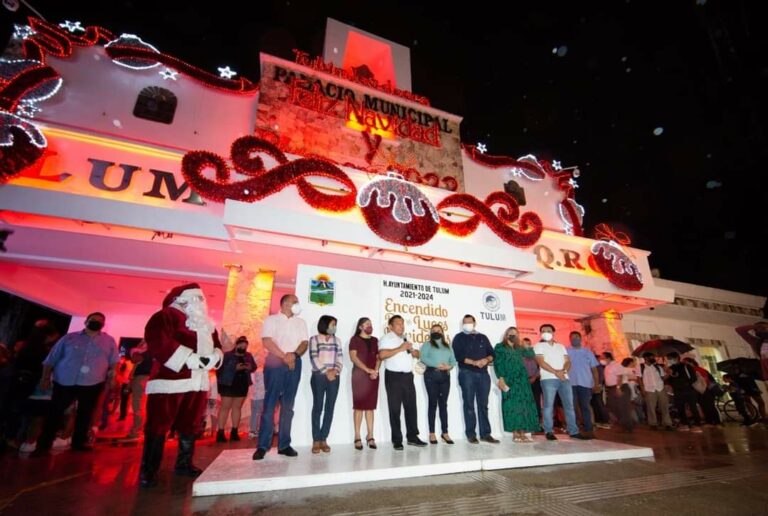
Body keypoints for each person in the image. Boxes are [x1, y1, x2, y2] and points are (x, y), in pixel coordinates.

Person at [139, 283, 223, 487]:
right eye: (196, 298)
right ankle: (149, 470)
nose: (201, 303)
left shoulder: (206, 324)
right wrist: (190, 359)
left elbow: (218, 346)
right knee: (158, 426)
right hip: (170, 381)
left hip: (198, 382)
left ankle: (184, 463)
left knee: (191, 425)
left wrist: (215, 357)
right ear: (182, 300)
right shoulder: (165, 316)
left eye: (202, 299)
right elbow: (160, 343)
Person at [31, 312, 118, 456]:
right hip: (65, 381)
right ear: (86, 321)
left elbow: (114, 361)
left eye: (99, 321)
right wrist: (45, 378)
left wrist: (112, 376)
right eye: (93, 320)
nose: (96, 322)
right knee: (54, 414)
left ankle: (78, 443)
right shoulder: (69, 338)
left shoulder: (109, 341)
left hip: (92, 382)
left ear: (103, 324)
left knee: (85, 414)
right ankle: (43, 445)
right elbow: (50, 359)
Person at [253, 294, 309, 461]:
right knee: (270, 404)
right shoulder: (271, 320)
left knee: (288, 405)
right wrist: (284, 356)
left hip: (294, 363)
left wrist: (293, 355)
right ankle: (263, 446)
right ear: (285, 304)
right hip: (275, 362)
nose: (297, 304)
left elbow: (304, 343)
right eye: (295, 302)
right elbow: (267, 341)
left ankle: (284, 444)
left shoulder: (301, 322)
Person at [378, 315, 426, 449]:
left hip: (408, 377)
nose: (401, 326)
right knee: (395, 409)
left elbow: (418, 355)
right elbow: (381, 355)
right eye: (398, 324)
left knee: (411, 407)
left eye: (402, 323)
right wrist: (400, 348)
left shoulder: (406, 338)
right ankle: (397, 440)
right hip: (393, 377)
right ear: (390, 327)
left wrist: (413, 351)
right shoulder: (386, 338)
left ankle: (412, 437)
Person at [534, 324, 586, 441]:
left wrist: (563, 371)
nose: (546, 332)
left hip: (564, 378)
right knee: (548, 406)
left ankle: (573, 431)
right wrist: (556, 372)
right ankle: (548, 431)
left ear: (553, 332)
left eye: (548, 330)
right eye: (543, 331)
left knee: (569, 406)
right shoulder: (538, 346)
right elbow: (541, 362)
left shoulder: (561, 346)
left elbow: (568, 361)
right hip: (548, 379)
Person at [452, 315, 500, 444]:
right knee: (469, 404)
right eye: (465, 322)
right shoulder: (458, 337)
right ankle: (471, 434)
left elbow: (492, 354)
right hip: (467, 373)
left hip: (484, 375)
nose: (467, 324)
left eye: (470, 322)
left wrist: (486, 360)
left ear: (474, 323)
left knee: (483, 405)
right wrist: (474, 362)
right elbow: (458, 356)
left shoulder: (483, 337)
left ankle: (485, 434)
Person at [493, 327, 539, 442]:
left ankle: (523, 432)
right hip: (509, 379)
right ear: (506, 335)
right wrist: (501, 378)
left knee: (524, 405)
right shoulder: (500, 347)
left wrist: (525, 345)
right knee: (512, 406)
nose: (513, 335)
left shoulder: (519, 348)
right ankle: (515, 433)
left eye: (515, 333)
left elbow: (531, 354)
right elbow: (498, 363)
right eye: (510, 333)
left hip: (522, 380)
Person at [308, 315, 343, 454]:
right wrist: (326, 371)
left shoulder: (337, 341)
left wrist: (335, 371)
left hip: (334, 376)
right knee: (318, 407)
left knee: (330, 407)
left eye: (335, 324)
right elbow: (313, 357)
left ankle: (324, 438)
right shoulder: (314, 339)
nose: (334, 327)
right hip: (319, 376)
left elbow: (340, 358)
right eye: (332, 324)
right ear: (324, 324)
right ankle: (316, 439)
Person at [420, 324, 457, 444]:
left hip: (445, 376)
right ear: (430, 333)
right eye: (434, 331)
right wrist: (437, 365)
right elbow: (423, 358)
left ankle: (445, 433)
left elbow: (453, 360)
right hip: (431, 375)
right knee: (432, 404)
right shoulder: (427, 344)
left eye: (439, 330)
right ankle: (432, 433)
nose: (437, 332)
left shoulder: (448, 346)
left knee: (443, 404)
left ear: (442, 332)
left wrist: (449, 366)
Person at [216, 336, 256, 442]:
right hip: (228, 384)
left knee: (237, 408)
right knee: (225, 407)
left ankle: (234, 432)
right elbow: (220, 369)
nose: (243, 347)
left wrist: (249, 367)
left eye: (245, 346)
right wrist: (235, 367)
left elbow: (254, 367)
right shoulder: (227, 355)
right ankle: (220, 433)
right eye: (241, 345)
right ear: (236, 345)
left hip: (242, 383)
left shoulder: (248, 355)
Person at [349, 317, 380, 450]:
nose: (370, 326)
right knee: (359, 407)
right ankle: (357, 436)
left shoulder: (375, 340)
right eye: (367, 324)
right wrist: (367, 370)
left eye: (371, 324)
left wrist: (376, 370)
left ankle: (370, 435)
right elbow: (353, 357)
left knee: (370, 407)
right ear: (360, 327)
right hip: (359, 376)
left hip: (373, 376)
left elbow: (379, 357)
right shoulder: (354, 339)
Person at [566, 331, 600, 438]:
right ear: (570, 339)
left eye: (576, 337)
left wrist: (597, 384)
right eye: (572, 337)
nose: (574, 339)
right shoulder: (566, 351)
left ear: (580, 338)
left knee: (585, 406)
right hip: (570, 383)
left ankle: (589, 427)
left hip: (585, 383)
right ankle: (574, 428)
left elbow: (594, 369)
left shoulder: (587, 352)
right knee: (572, 406)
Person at [664, 351, 702, 432]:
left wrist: (684, 383)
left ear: (677, 358)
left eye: (670, 359)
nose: (669, 361)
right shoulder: (671, 368)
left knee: (693, 408)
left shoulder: (686, 366)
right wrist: (669, 375)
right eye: (668, 359)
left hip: (689, 390)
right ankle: (685, 424)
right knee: (680, 408)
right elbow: (669, 381)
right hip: (677, 391)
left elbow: (693, 378)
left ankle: (697, 425)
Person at [639, 352, 674, 431]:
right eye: (651, 357)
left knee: (664, 406)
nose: (653, 359)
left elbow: (662, 378)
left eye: (653, 357)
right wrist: (642, 389)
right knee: (651, 407)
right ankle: (653, 423)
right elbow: (639, 379)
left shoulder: (658, 367)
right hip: (649, 389)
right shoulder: (641, 367)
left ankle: (667, 423)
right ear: (646, 358)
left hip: (660, 388)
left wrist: (668, 373)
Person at [602, 352, 634, 432]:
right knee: (612, 406)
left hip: (620, 387)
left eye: (603, 358)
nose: (601, 360)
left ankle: (628, 426)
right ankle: (627, 423)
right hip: (611, 389)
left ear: (608, 358)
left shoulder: (616, 365)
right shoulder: (607, 366)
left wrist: (618, 387)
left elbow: (620, 376)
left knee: (623, 408)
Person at [683, 357, 720, 426]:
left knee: (708, 406)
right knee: (707, 406)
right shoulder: (698, 369)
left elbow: (704, 380)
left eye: (685, 363)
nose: (684, 365)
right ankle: (713, 421)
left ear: (690, 362)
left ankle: (713, 422)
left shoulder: (696, 369)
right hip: (703, 390)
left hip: (705, 390)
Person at [126, 341, 151, 439]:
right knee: (144, 404)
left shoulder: (143, 353)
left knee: (137, 404)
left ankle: (136, 430)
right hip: (149, 378)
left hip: (141, 378)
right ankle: (142, 429)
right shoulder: (154, 352)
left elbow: (135, 359)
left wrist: (136, 350)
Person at [735, 321, 768, 387]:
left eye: (766, 328)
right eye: (762, 328)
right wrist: (756, 326)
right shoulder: (756, 342)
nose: (765, 330)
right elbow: (739, 330)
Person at [522, 337, 542, 426]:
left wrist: (534, 377)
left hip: (536, 380)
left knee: (536, 402)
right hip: (524, 381)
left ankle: (537, 423)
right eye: (525, 343)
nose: (527, 345)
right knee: (525, 402)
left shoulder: (535, 354)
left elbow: (540, 367)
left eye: (528, 343)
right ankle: (527, 422)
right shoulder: (519, 354)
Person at [248, 362, 265, 440]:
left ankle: (253, 430)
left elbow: (251, 382)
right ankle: (256, 429)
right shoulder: (262, 370)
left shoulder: (253, 371)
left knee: (254, 413)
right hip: (261, 395)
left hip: (254, 395)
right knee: (260, 413)